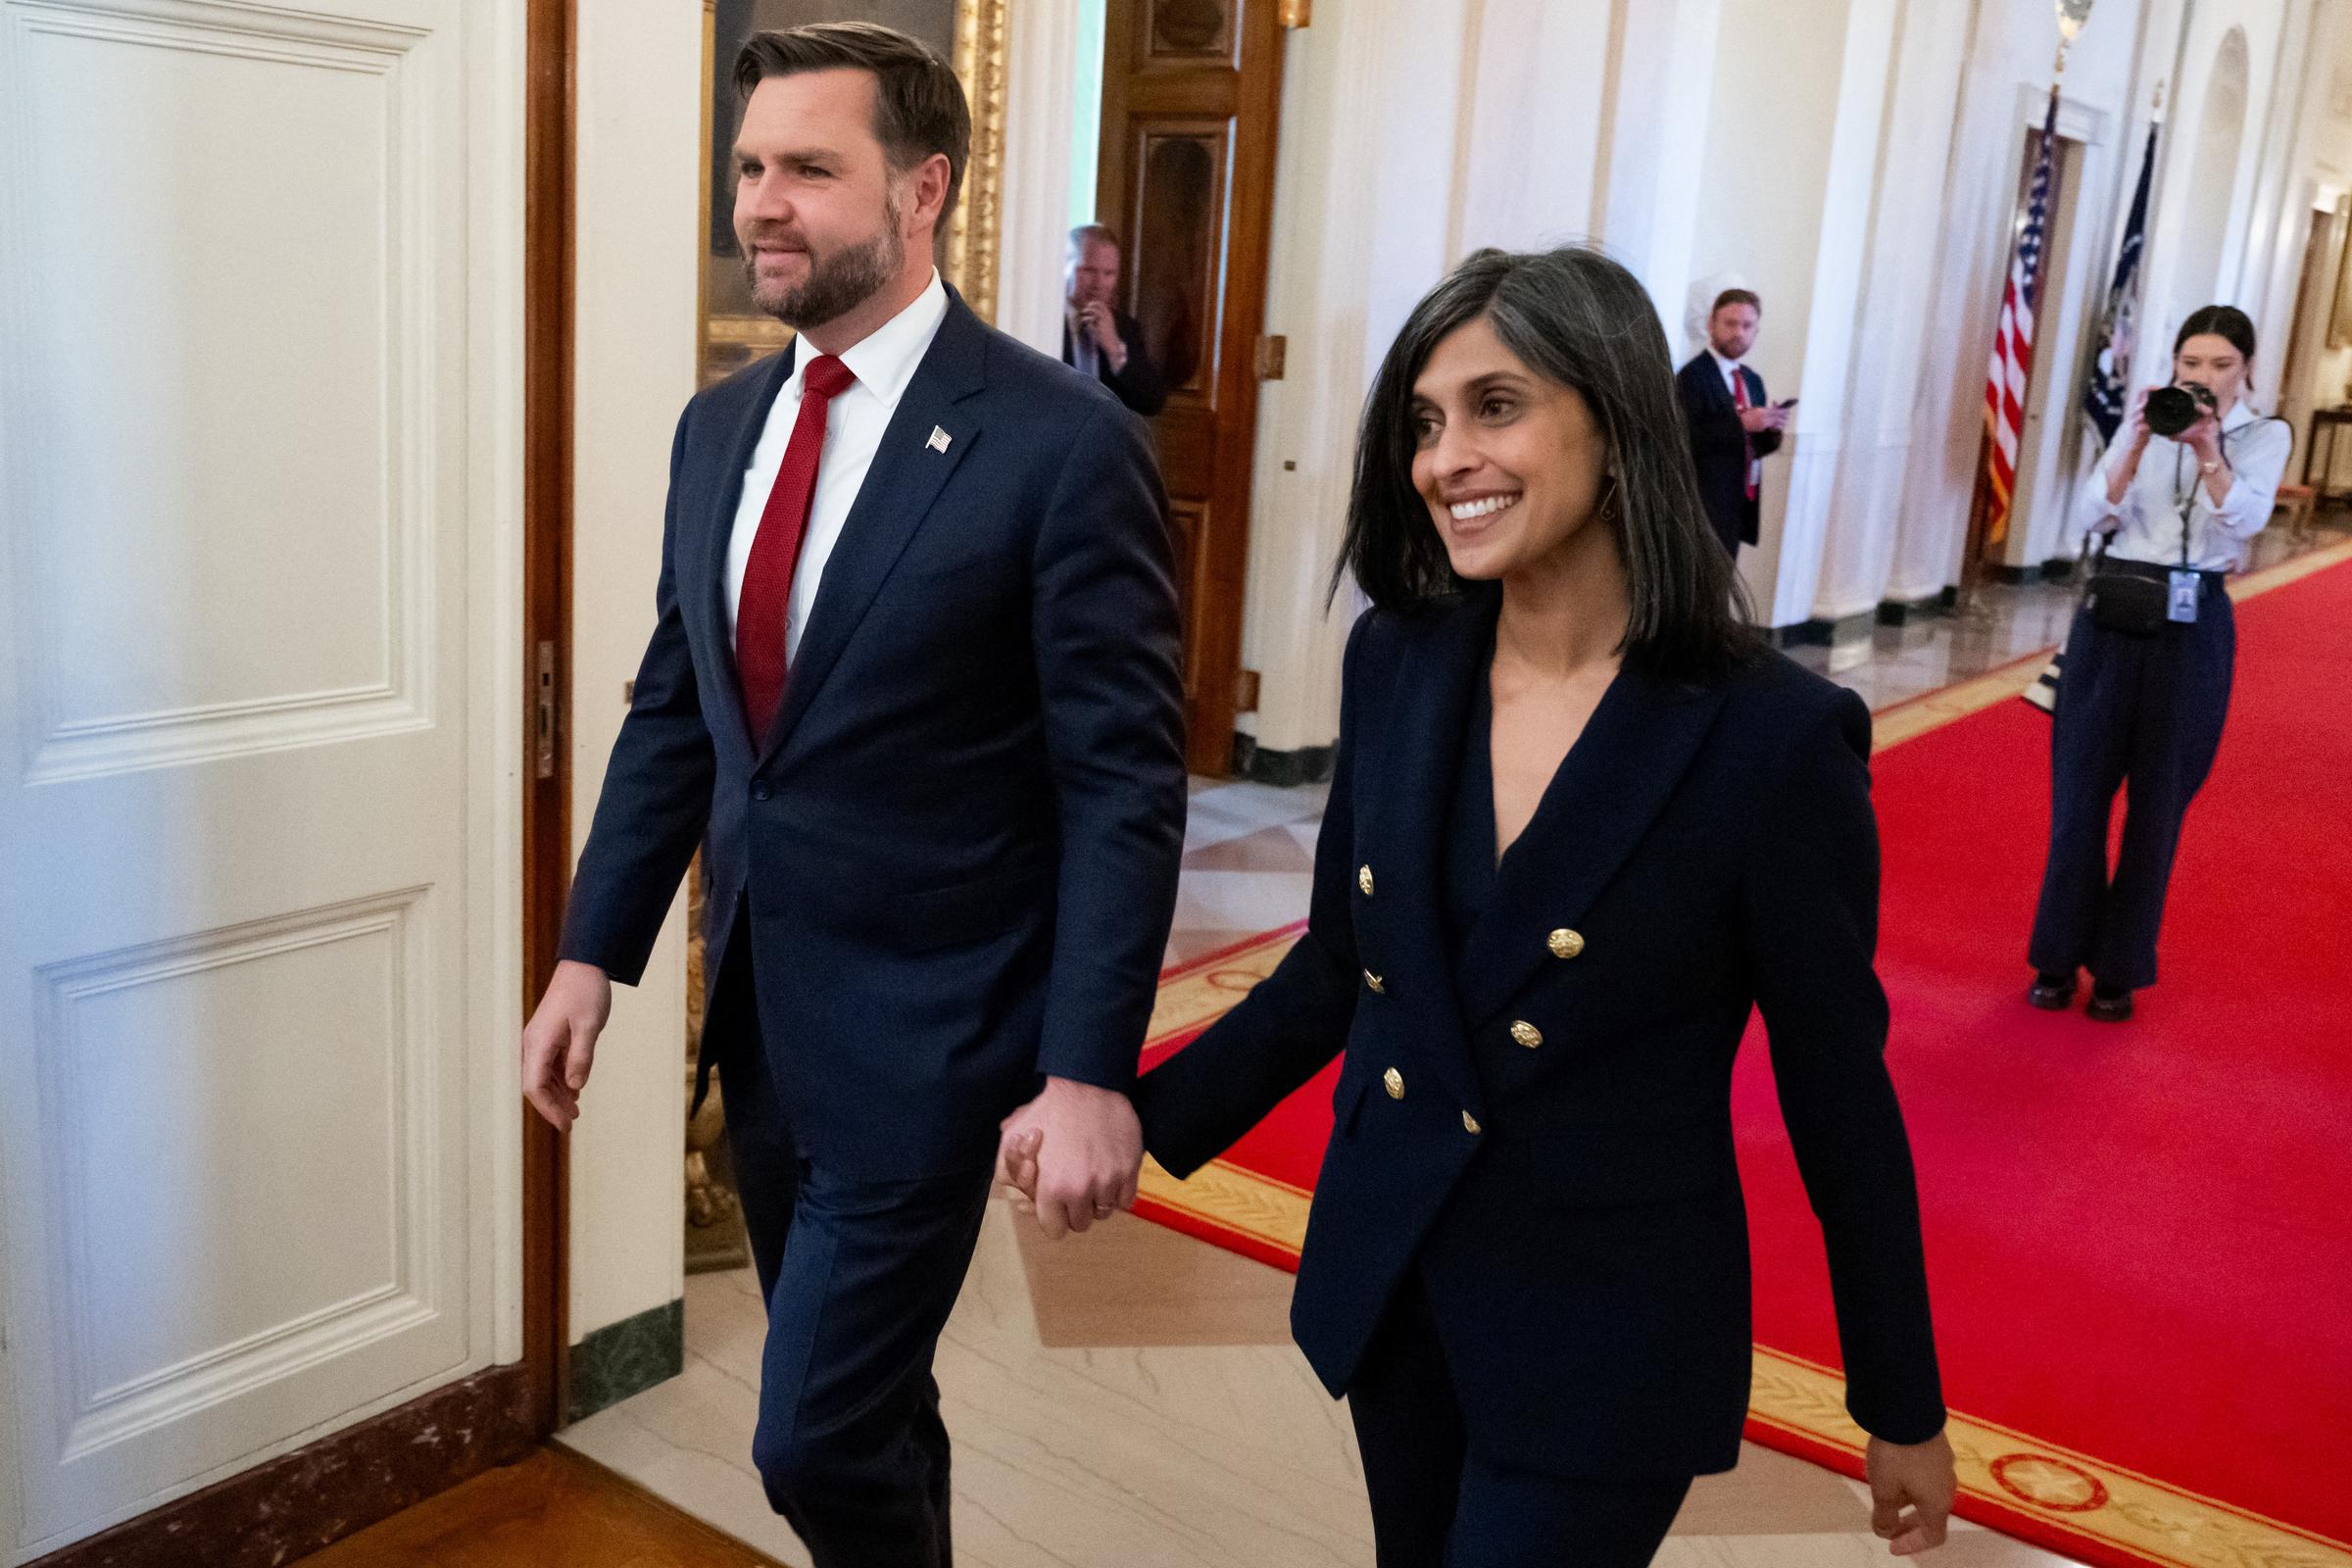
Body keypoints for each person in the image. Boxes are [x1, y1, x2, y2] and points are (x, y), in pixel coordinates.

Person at [1004, 246, 1954, 1566]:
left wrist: (1898, 1397)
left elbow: (1835, 1085)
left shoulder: (1771, 740)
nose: (1447, 458)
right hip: (1402, 1278)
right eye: (1426, 423)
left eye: (1495, 407)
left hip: (1606, 1328)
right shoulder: (1401, 658)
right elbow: (1335, 971)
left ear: (1616, 423)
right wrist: (1129, 1120)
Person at [519, 24, 1186, 1567]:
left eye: (810, 169)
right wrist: (587, 954)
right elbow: (677, 713)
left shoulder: (1060, 445)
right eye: (752, 167)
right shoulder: (721, 431)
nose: (764, 202)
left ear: (920, 188)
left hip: (943, 1035)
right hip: (766, 1023)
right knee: (872, 1408)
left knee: (809, 1430)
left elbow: (1122, 786)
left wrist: (1091, 1067)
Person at [2027, 305, 2289, 1022]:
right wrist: (2139, 442)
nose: (2203, 379)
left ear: (2246, 371)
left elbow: (2247, 521)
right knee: (2078, 795)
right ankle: (2055, 956)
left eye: (2221, 366)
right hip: (2110, 616)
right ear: (2174, 365)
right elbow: (2090, 514)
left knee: (2157, 808)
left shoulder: (2264, 435)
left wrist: (2208, 448)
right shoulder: (2144, 417)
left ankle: (2118, 969)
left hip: (2193, 623)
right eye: (2191, 364)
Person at [1675, 288, 1789, 557]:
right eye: (1730, 323)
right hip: (1700, 508)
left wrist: (1771, 430)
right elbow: (1683, 438)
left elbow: (1751, 448)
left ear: (1755, 332)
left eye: (1747, 325)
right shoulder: (1692, 377)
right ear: (1710, 325)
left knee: (1721, 592)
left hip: (1737, 505)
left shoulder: (1752, 380)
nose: (1739, 332)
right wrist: (1742, 425)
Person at [1062, 222, 1168, 416]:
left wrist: (1115, 351)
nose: (1099, 283)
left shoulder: (1125, 327)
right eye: (1088, 270)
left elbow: (1152, 402)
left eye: (1109, 273)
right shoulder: (1045, 320)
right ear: (1064, 266)